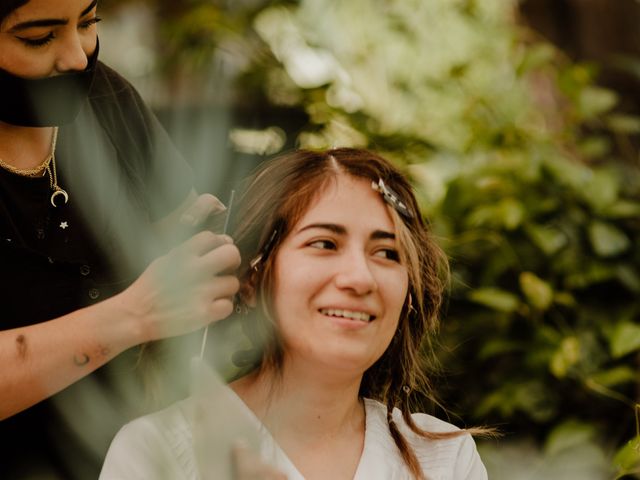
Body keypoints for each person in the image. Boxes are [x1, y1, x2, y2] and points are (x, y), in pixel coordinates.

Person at [100, 148, 489, 479]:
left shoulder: (445, 461)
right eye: (324, 243)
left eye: (388, 253)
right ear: (251, 280)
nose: (360, 277)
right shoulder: (157, 452)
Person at [0, 1, 241, 478]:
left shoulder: (106, 98)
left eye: (88, 23)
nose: (76, 57)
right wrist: (131, 316)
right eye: (38, 38)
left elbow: (167, 228)